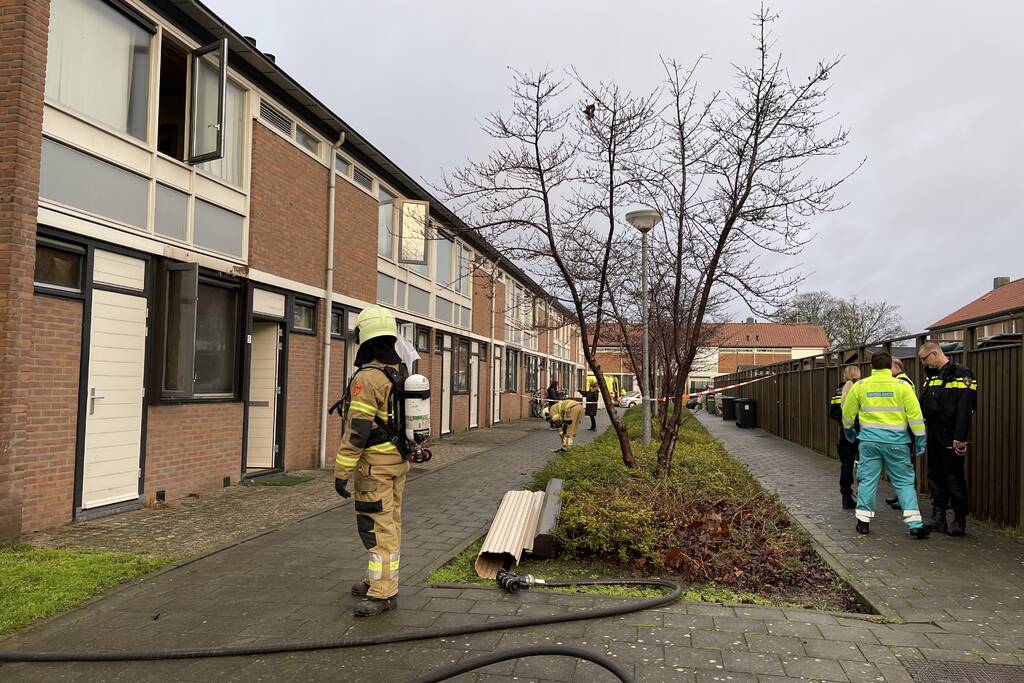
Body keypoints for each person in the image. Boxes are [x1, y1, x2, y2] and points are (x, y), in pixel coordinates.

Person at [334, 305, 409, 617]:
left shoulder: (367, 378)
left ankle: (383, 593)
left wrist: (341, 471)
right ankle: (376, 579)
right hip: (398, 461)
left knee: (376, 528)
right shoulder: (398, 372)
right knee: (390, 523)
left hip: (373, 467)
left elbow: (357, 430)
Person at [842, 351, 929, 539]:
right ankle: (915, 524)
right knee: (904, 482)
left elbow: (847, 414)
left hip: (869, 442)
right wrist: (920, 438)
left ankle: (863, 523)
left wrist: (849, 431)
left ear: (872, 367)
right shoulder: (902, 387)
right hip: (897, 443)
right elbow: (915, 415)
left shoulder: (860, 386)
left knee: (867, 480)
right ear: (890, 366)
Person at [918, 341, 978, 536]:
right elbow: (925, 401)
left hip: (951, 432)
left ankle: (959, 519)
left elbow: (965, 408)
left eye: (924, 359)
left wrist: (960, 437)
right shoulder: (932, 376)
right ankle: (938, 517)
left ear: (934, 354)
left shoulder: (961, 373)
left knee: (953, 476)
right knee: (934, 474)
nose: (923, 364)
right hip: (934, 430)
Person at [885, 358, 916, 511]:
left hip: (904, 429)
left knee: (903, 467)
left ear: (896, 367)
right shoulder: (901, 381)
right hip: (903, 429)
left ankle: (905, 499)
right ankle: (899, 495)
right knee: (899, 466)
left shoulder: (902, 382)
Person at [829, 365, 861, 509]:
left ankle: (846, 497)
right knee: (864, 466)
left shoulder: (838, 391)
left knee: (846, 465)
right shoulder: (861, 388)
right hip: (861, 433)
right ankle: (864, 498)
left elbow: (833, 413)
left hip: (845, 434)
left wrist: (843, 423)